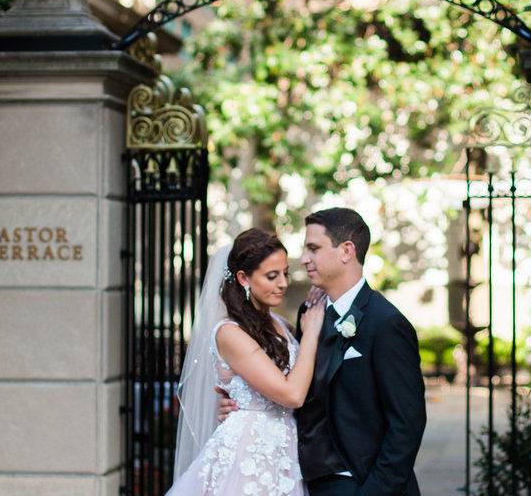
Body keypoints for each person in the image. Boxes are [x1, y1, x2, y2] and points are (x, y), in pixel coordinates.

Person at [220, 208, 427, 496]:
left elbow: (407, 424)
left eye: (313, 248)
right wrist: (244, 405)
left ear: (346, 251)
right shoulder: (309, 313)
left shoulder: (386, 323)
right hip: (303, 480)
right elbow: (298, 388)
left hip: (361, 482)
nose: (304, 258)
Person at [168, 228, 326, 496]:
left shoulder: (280, 324)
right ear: (243, 278)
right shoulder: (230, 332)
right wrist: (311, 333)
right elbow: (292, 394)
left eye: (285, 273)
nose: (283, 284)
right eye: (271, 276)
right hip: (249, 454)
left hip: (286, 446)